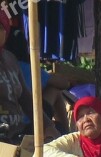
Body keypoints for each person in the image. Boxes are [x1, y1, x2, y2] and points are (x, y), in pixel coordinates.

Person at [0, 14, 58, 143]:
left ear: (6, 31)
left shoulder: (10, 59)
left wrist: (48, 126)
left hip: (17, 135)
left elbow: (26, 98)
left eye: (0, 27)